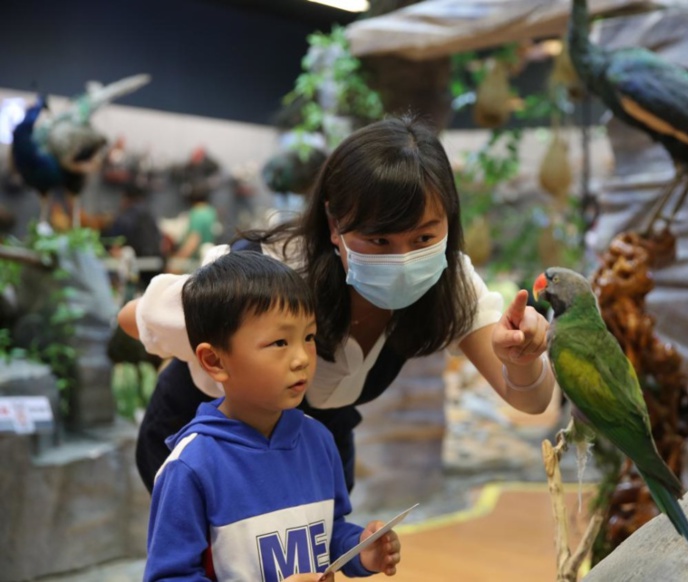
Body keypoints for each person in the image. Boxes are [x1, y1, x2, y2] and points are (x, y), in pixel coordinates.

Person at [119, 114, 556, 494]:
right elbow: (132, 318)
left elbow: (532, 402)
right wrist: (223, 338)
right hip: (206, 443)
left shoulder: (449, 280)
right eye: (379, 239)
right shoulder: (271, 274)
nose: (403, 260)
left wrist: (521, 358)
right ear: (334, 225)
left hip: (312, 447)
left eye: (423, 237)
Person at [144, 251, 400, 581]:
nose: (301, 359)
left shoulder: (318, 440)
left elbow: (329, 533)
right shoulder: (191, 466)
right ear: (215, 361)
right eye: (280, 342)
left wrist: (360, 550)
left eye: (308, 337)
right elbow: (169, 576)